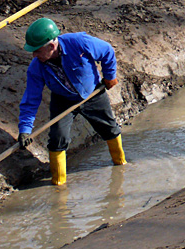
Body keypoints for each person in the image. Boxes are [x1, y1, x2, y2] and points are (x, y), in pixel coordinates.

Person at [18, 18, 126, 185]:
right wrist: (25, 129)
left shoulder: (80, 43)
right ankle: (58, 183)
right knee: (57, 138)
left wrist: (110, 76)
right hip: (63, 99)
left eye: (37, 51)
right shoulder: (36, 67)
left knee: (109, 128)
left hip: (92, 93)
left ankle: (121, 165)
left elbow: (107, 51)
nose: (34, 55)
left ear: (51, 46)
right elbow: (31, 100)